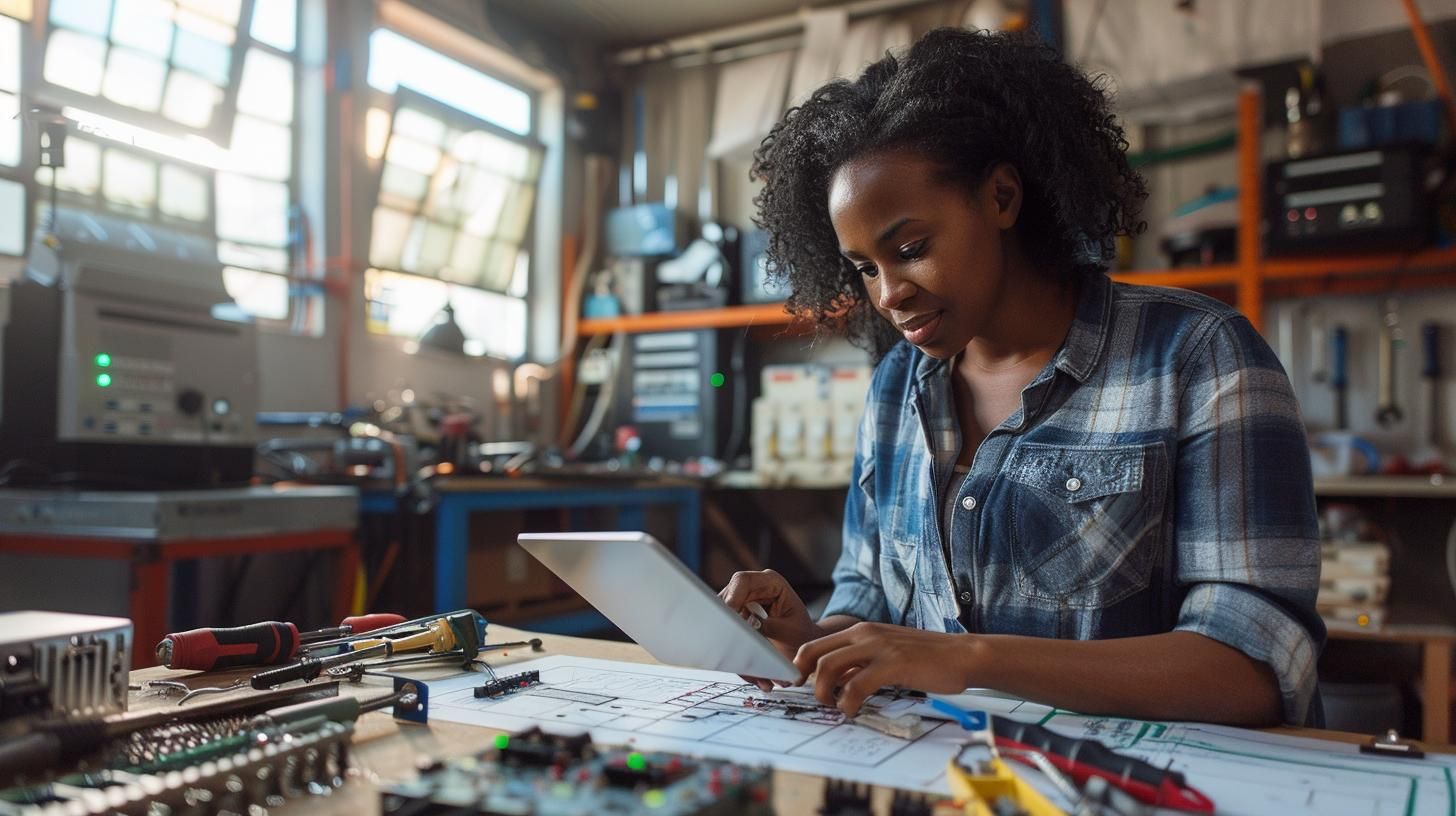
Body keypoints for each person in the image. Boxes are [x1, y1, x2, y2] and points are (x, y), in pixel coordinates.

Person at [719, 27, 1323, 727]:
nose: (887, 294)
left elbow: (1252, 670)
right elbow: (873, 599)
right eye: (864, 268)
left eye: (911, 249)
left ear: (1002, 198)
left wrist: (972, 659)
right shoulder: (895, 388)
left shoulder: (1199, 358)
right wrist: (813, 639)